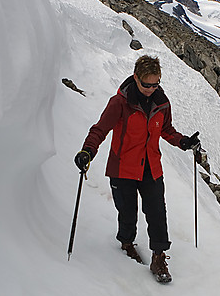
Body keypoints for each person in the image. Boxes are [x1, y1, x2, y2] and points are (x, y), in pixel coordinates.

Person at [74, 55, 200, 283]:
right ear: (136, 78)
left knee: (157, 214)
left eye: (156, 84)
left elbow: (167, 130)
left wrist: (183, 142)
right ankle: (126, 243)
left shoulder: (162, 103)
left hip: (151, 167)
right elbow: (100, 129)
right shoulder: (120, 103)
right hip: (122, 167)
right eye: (146, 84)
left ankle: (158, 257)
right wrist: (87, 151)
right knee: (127, 212)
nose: (151, 89)